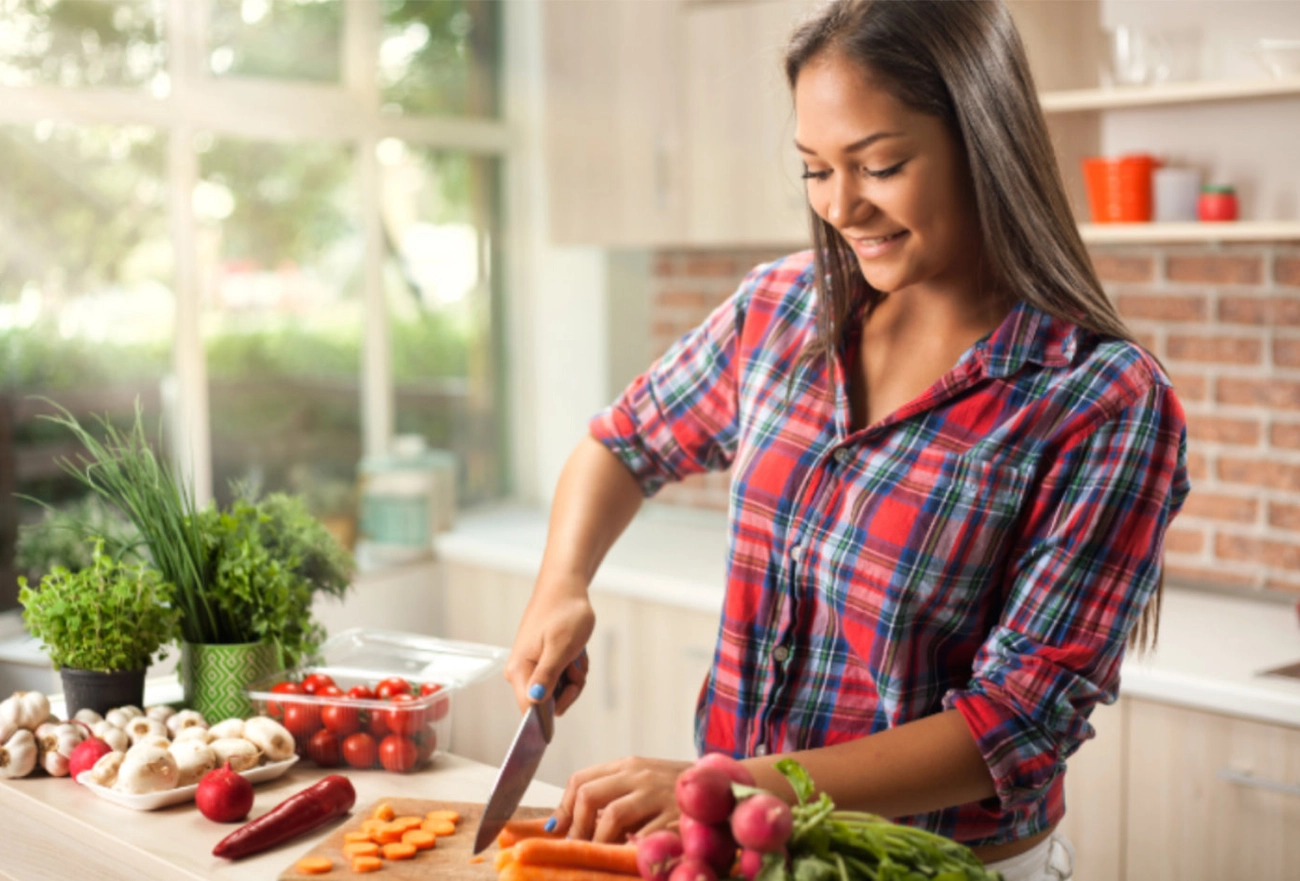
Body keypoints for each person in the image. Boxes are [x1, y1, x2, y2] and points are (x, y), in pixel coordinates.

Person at [502, 2, 1189, 879]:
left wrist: (732, 785)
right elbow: (623, 443)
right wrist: (560, 586)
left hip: (937, 865)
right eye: (815, 170)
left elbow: (1016, 722)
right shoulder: (782, 308)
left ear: (985, 140)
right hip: (743, 854)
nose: (840, 205)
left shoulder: (1100, 398)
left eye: (880, 165)